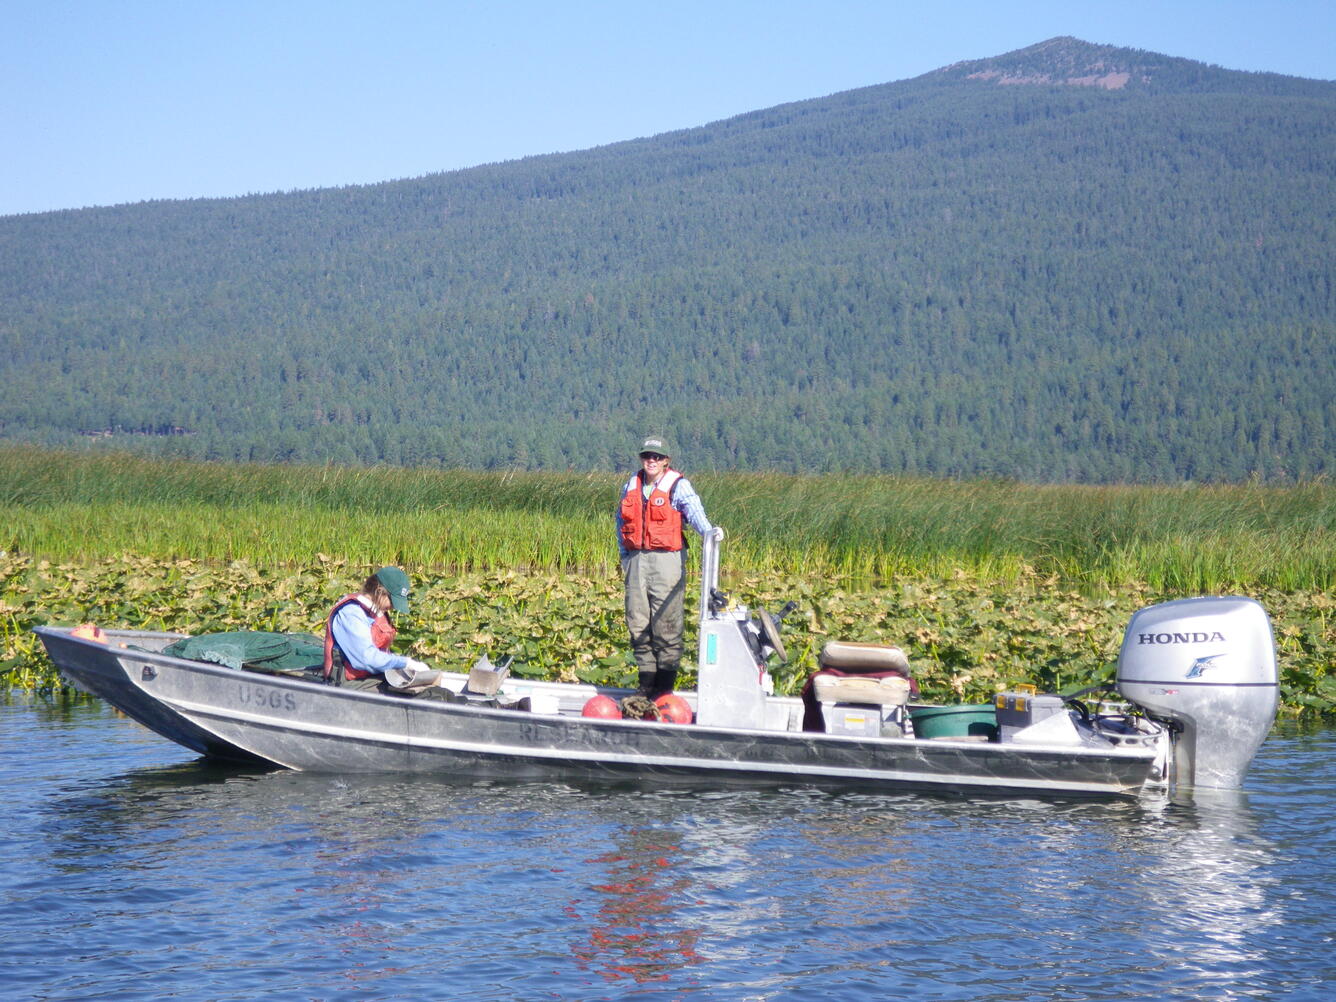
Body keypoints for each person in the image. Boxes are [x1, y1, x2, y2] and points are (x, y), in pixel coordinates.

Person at [615, 435, 720, 699]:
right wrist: (624, 556)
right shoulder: (630, 484)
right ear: (641, 458)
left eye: (657, 457)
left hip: (667, 560)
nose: (651, 461)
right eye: (647, 456)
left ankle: (664, 689)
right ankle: (645, 684)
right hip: (636, 560)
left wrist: (710, 534)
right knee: (637, 623)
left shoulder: (679, 485)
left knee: (667, 624)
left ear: (666, 461)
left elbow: (696, 514)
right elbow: (620, 523)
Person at [322, 566, 433, 691]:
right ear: (379, 591)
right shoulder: (351, 613)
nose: (393, 607)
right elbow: (366, 659)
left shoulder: (376, 611)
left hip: (372, 677)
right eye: (392, 601)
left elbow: (381, 653)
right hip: (349, 684)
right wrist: (406, 663)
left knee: (429, 691)